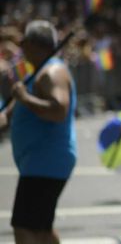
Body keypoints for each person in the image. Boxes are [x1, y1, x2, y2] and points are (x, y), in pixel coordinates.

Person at [0, 21, 75, 244]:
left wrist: (25, 98)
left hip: (45, 160)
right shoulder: (37, 74)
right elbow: (7, 116)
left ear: (34, 44)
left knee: (24, 227)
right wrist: (22, 100)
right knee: (41, 228)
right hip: (40, 161)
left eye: (24, 43)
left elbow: (59, 110)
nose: (21, 48)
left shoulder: (52, 72)